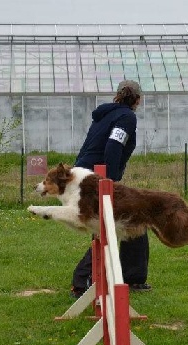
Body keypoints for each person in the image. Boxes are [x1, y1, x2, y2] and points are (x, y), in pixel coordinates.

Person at [70, 79, 151, 298]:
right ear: (137, 99)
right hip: (96, 179)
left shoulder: (105, 115)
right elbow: (114, 146)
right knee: (107, 228)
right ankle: (82, 282)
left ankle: (132, 277)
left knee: (134, 219)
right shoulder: (126, 117)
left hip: (83, 177)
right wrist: (111, 183)